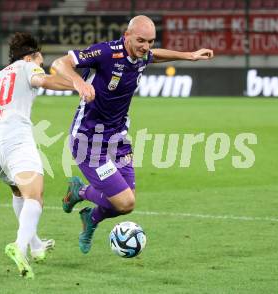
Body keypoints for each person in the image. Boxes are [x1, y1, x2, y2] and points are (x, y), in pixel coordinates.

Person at [51, 15, 214, 254]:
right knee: (124, 201)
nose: (146, 46)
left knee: (125, 205)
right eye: (141, 40)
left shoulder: (141, 54)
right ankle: (81, 192)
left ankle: (89, 216)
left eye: (150, 41)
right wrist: (79, 83)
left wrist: (189, 56)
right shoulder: (106, 53)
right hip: (89, 141)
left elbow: (153, 55)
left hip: (118, 139)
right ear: (126, 36)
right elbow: (59, 63)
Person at [0, 32, 74, 279]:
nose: (41, 66)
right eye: (41, 61)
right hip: (15, 142)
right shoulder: (28, 67)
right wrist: (78, 85)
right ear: (33, 56)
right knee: (35, 197)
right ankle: (19, 246)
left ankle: (36, 245)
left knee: (19, 191)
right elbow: (44, 82)